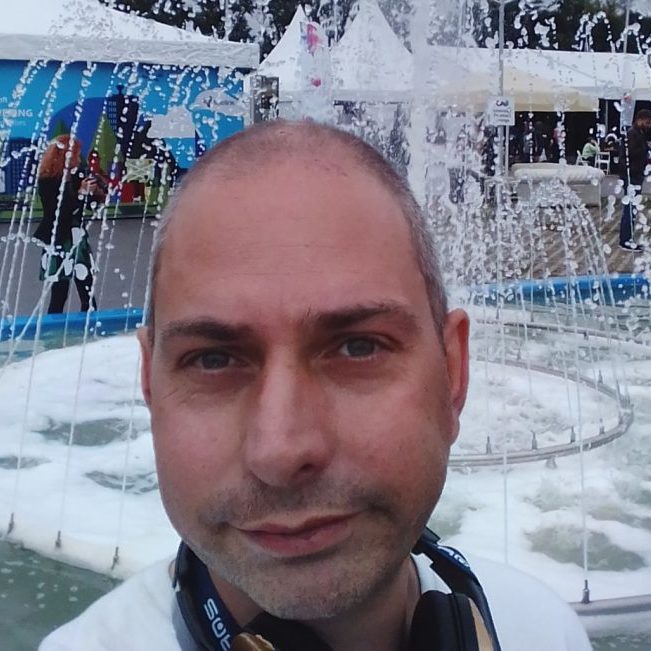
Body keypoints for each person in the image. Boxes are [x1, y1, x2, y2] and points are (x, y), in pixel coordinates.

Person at [40, 121, 592, 651]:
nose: (281, 451)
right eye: (213, 359)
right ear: (149, 385)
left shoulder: (545, 632)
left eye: (359, 347)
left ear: (453, 372)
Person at [32, 135, 103, 313]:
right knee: (59, 293)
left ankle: (89, 324)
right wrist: (80, 193)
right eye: (76, 154)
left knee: (87, 290)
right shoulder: (48, 181)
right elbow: (59, 212)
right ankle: (53, 328)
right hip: (58, 238)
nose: (79, 159)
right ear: (65, 155)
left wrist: (94, 192)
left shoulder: (76, 176)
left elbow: (90, 205)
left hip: (76, 236)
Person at [618, 108, 651, 251]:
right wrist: (645, 151)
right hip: (631, 175)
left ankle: (628, 238)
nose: (649, 126)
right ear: (639, 120)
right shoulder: (633, 134)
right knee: (630, 207)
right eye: (647, 122)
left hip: (635, 175)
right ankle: (625, 240)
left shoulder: (639, 134)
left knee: (632, 208)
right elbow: (629, 154)